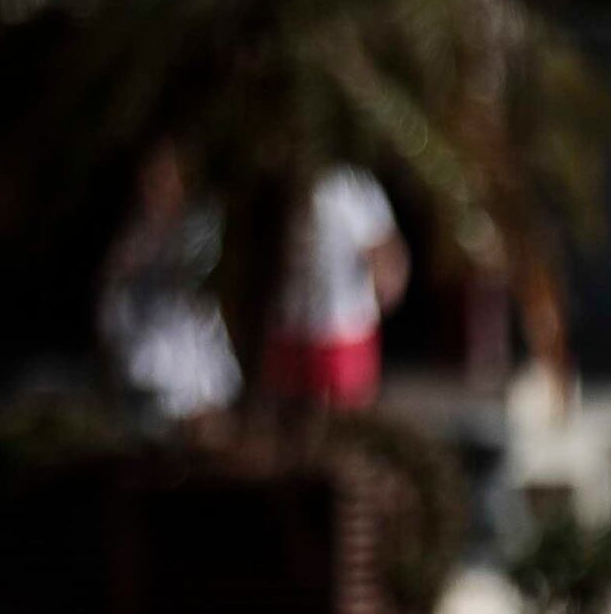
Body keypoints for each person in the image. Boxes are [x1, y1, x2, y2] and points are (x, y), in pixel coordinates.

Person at [100, 146, 239, 426]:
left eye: (164, 178)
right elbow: (114, 292)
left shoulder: (199, 226)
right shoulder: (134, 233)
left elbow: (194, 277)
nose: (154, 189)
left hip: (189, 347)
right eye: (150, 180)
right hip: (145, 351)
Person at [270, 165, 406, 409]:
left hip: (344, 329)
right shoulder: (282, 175)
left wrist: (381, 295)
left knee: (345, 417)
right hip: (290, 325)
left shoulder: (350, 181)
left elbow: (385, 247)